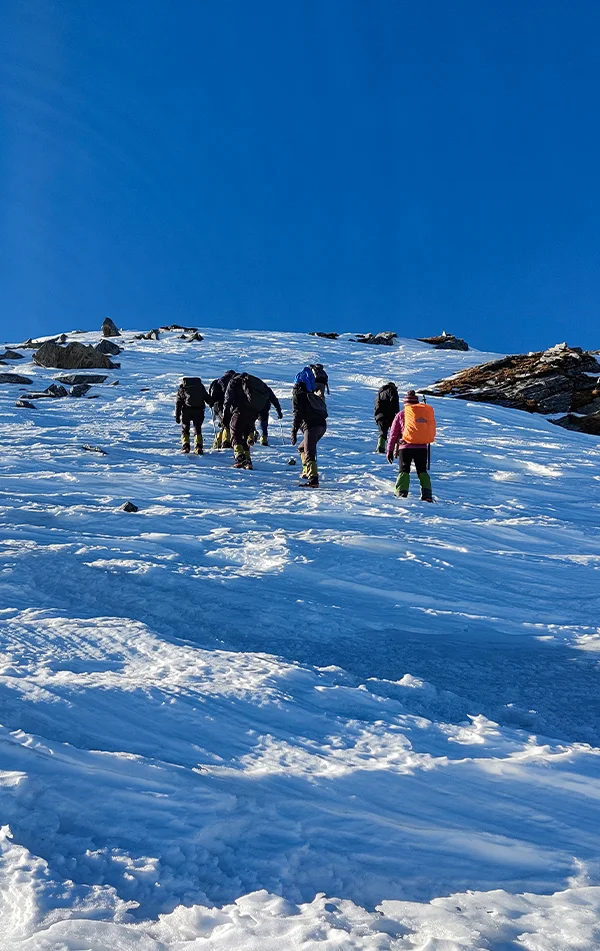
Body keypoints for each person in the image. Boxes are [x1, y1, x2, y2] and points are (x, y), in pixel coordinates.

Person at [222, 372, 282, 469]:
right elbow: (270, 394)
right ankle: (248, 461)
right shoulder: (255, 382)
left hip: (239, 411)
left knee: (235, 434)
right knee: (245, 437)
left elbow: (227, 399)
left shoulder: (234, 381)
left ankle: (240, 458)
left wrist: (225, 417)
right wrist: (278, 409)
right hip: (253, 413)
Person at [386, 390, 435, 501]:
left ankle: (401, 492)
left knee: (404, 470)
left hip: (405, 447)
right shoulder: (424, 415)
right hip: (422, 447)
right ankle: (427, 494)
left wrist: (390, 450)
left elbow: (393, 434)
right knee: (422, 471)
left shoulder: (400, 415)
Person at [291, 366, 328, 488]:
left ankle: (313, 480)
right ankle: (307, 471)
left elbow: (297, 415)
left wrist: (294, 432)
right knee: (303, 448)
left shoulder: (298, 395)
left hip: (311, 427)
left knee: (309, 451)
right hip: (322, 426)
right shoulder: (311, 395)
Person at [175, 377, 214, 454]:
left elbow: (178, 403)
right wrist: (212, 402)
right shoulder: (200, 387)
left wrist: (177, 416)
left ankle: (186, 446)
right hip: (199, 411)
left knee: (185, 428)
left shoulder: (182, 388)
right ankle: (198, 446)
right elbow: (207, 398)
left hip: (186, 411)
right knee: (197, 428)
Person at [209, 370, 235, 448]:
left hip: (218, 406)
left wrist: (211, 403)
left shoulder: (217, 382)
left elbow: (213, 395)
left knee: (224, 423)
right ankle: (226, 442)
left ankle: (217, 443)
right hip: (230, 406)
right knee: (228, 424)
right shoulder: (234, 383)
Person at [374, 382, 400, 453]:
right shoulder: (392, 390)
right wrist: (397, 414)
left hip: (380, 416)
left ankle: (380, 447)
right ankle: (396, 449)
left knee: (382, 432)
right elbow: (394, 402)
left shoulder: (379, 394)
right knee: (395, 432)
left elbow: (376, 406)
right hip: (390, 415)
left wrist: (377, 417)